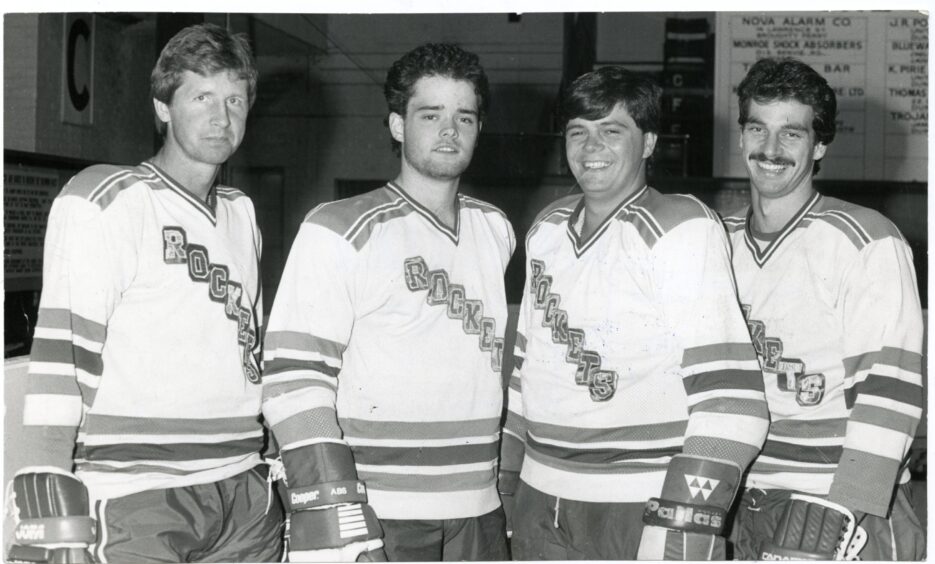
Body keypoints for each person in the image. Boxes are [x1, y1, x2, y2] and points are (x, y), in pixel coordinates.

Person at [7, 23, 285, 563]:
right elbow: (62, 356)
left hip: (245, 489)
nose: (221, 116)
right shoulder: (105, 200)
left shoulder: (241, 213)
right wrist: (45, 491)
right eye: (201, 96)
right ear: (163, 107)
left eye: (234, 99)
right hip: (138, 492)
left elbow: (248, 351)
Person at [498, 65, 770, 561]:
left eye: (611, 131)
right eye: (577, 132)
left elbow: (733, 401)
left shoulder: (679, 227)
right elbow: (524, 373)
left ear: (648, 143)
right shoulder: (547, 230)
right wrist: (508, 482)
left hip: (638, 504)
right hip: (540, 500)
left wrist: (683, 522)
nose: (590, 147)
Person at [261, 43, 514, 562]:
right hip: (380, 508)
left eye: (464, 116)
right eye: (430, 114)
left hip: (478, 508)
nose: (450, 130)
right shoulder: (338, 228)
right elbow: (292, 379)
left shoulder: (497, 229)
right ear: (397, 125)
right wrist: (335, 512)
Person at [723, 57, 925, 561]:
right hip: (733, 498)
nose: (770, 150)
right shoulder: (715, 242)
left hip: (833, 503)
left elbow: (889, 394)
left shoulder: (865, 241)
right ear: (742, 135)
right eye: (757, 129)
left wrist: (839, 512)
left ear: (819, 145)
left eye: (791, 134)